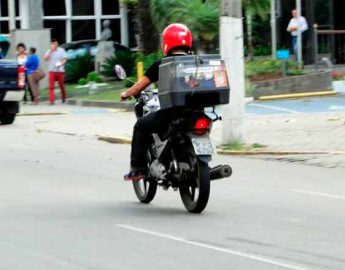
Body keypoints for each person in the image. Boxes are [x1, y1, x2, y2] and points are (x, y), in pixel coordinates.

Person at [120, 23, 192, 181]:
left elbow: (140, 85)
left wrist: (126, 94)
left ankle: (138, 169)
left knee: (140, 126)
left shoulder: (162, 64)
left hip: (171, 115)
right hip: (197, 113)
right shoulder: (197, 62)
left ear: (167, 43)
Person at [44, 38, 67, 105]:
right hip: (52, 70)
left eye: (56, 43)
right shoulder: (49, 51)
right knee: (51, 86)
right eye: (53, 44)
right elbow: (45, 59)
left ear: (57, 44)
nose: (55, 45)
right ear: (51, 44)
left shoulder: (61, 50)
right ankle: (52, 101)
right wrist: (51, 51)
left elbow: (65, 59)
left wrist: (61, 64)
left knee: (61, 85)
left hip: (60, 70)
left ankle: (63, 97)